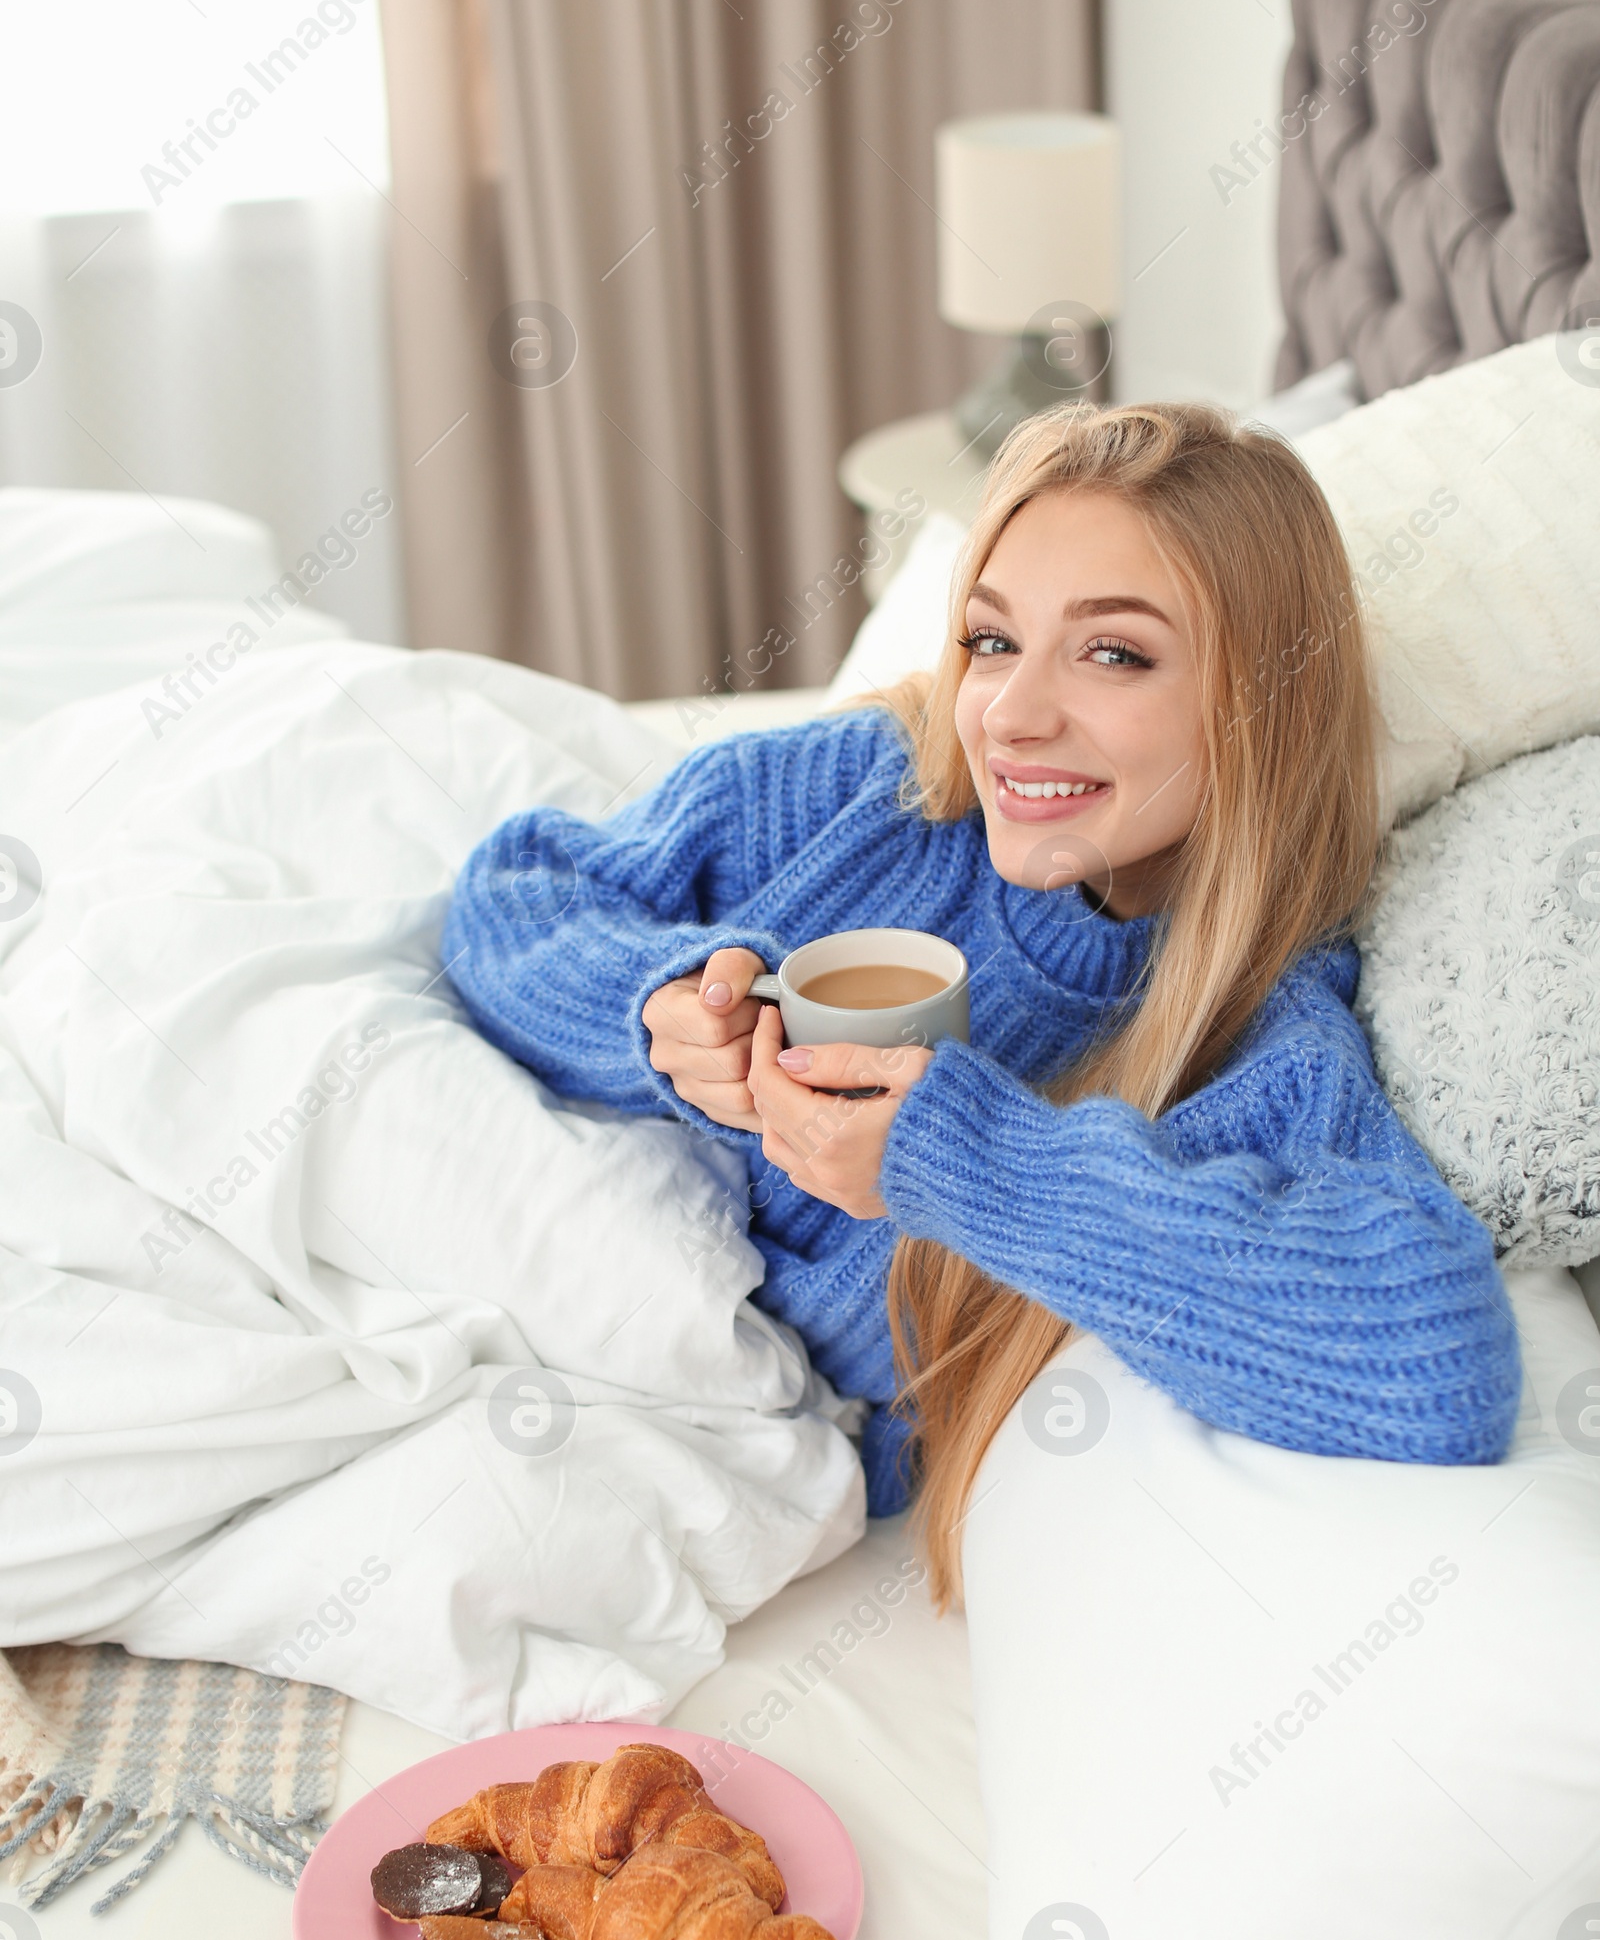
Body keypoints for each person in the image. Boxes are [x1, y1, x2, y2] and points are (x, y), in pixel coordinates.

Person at [444, 403, 1519, 1608]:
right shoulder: (869, 791)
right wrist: (651, 1012)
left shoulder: (1252, 1035)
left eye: (1113, 654)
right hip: (499, 1280)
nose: (1010, 714)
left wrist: (963, 1165)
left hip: (676, 1455)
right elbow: (510, 894)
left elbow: (1439, 1371)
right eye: (991, 642)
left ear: (1261, 699)